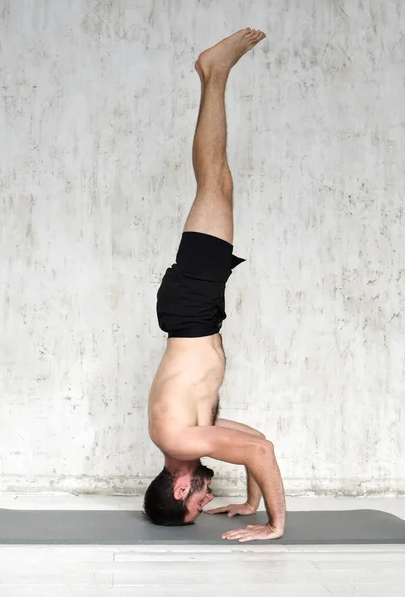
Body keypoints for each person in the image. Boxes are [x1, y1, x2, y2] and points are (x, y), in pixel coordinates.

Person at [144, 29, 286, 542]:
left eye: (197, 505)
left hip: (192, 310)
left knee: (214, 181)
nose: (206, 502)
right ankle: (213, 74)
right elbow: (257, 441)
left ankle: (214, 73)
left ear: (179, 490)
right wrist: (249, 500)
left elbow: (260, 454)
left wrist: (273, 524)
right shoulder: (186, 440)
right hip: (194, 312)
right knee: (218, 181)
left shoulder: (176, 436)